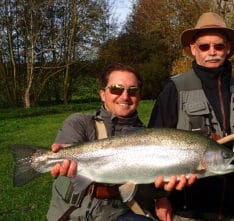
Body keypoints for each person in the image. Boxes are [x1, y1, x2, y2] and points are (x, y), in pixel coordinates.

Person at [148, 12, 234, 221]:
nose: (212, 52)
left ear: (228, 48)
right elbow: (150, 146)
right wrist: (159, 197)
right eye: (204, 46)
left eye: (218, 46)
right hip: (188, 211)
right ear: (193, 49)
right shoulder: (175, 88)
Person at [46, 63, 191, 221]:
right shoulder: (79, 122)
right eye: (116, 89)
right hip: (74, 214)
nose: (125, 96)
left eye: (132, 90)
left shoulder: (150, 139)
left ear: (139, 96)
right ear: (103, 94)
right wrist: (61, 154)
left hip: (119, 213)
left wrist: (161, 193)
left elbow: (145, 187)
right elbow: (67, 145)